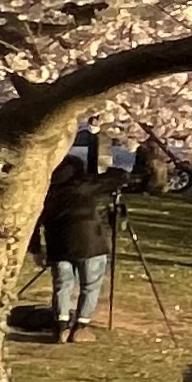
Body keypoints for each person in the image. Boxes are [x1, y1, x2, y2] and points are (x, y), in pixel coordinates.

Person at [39, 142, 120, 342]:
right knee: (90, 285)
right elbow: (117, 178)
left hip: (58, 245)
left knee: (62, 285)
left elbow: (34, 223)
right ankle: (81, 326)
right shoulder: (83, 186)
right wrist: (113, 171)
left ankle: (61, 324)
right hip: (90, 244)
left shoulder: (46, 193)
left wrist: (35, 249)